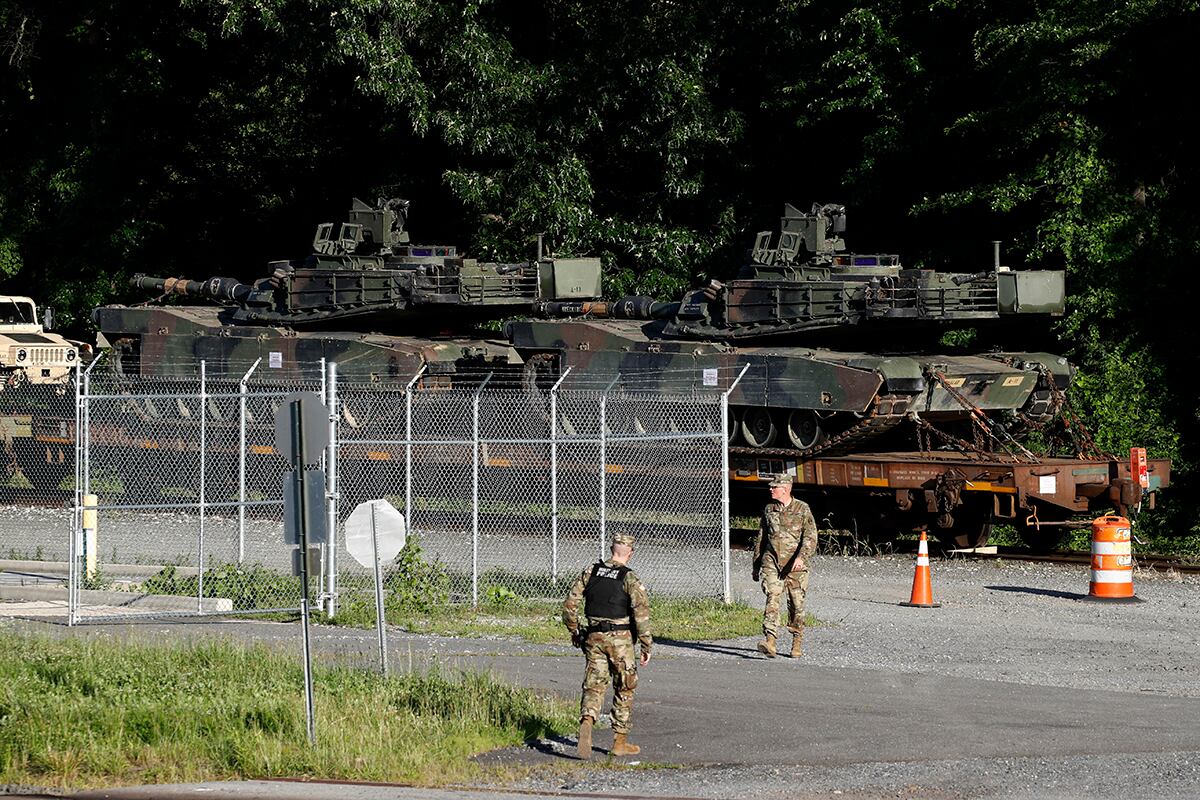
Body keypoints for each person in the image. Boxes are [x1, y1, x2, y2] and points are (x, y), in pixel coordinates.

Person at [562, 532, 652, 760]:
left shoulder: (591, 572)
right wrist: (646, 646)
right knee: (625, 686)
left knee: (594, 685)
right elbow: (641, 614)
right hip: (620, 639)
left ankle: (587, 721)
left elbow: (569, 605)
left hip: (593, 636)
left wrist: (575, 632)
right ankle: (619, 741)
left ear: (611, 549)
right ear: (630, 554)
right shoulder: (629, 578)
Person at [752, 474, 818, 658]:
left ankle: (796, 640)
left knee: (796, 604)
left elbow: (811, 537)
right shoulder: (769, 509)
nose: (771, 489)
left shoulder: (802, 509)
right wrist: (756, 565)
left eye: (775, 487)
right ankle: (770, 640)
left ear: (786, 489)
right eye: (771, 486)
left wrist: (802, 558)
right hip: (772, 561)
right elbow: (762, 538)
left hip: (795, 565)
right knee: (772, 596)